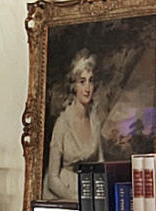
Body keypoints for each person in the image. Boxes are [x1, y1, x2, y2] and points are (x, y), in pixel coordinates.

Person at [42, 48, 108, 194]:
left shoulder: (94, 120)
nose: (87, 89)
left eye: (90, 81)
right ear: (73, 86)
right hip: (65, 193)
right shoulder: (62, 123)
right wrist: (75, 199)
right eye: (82, 82)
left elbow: (101, 164)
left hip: (90, 191)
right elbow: (53, 179)